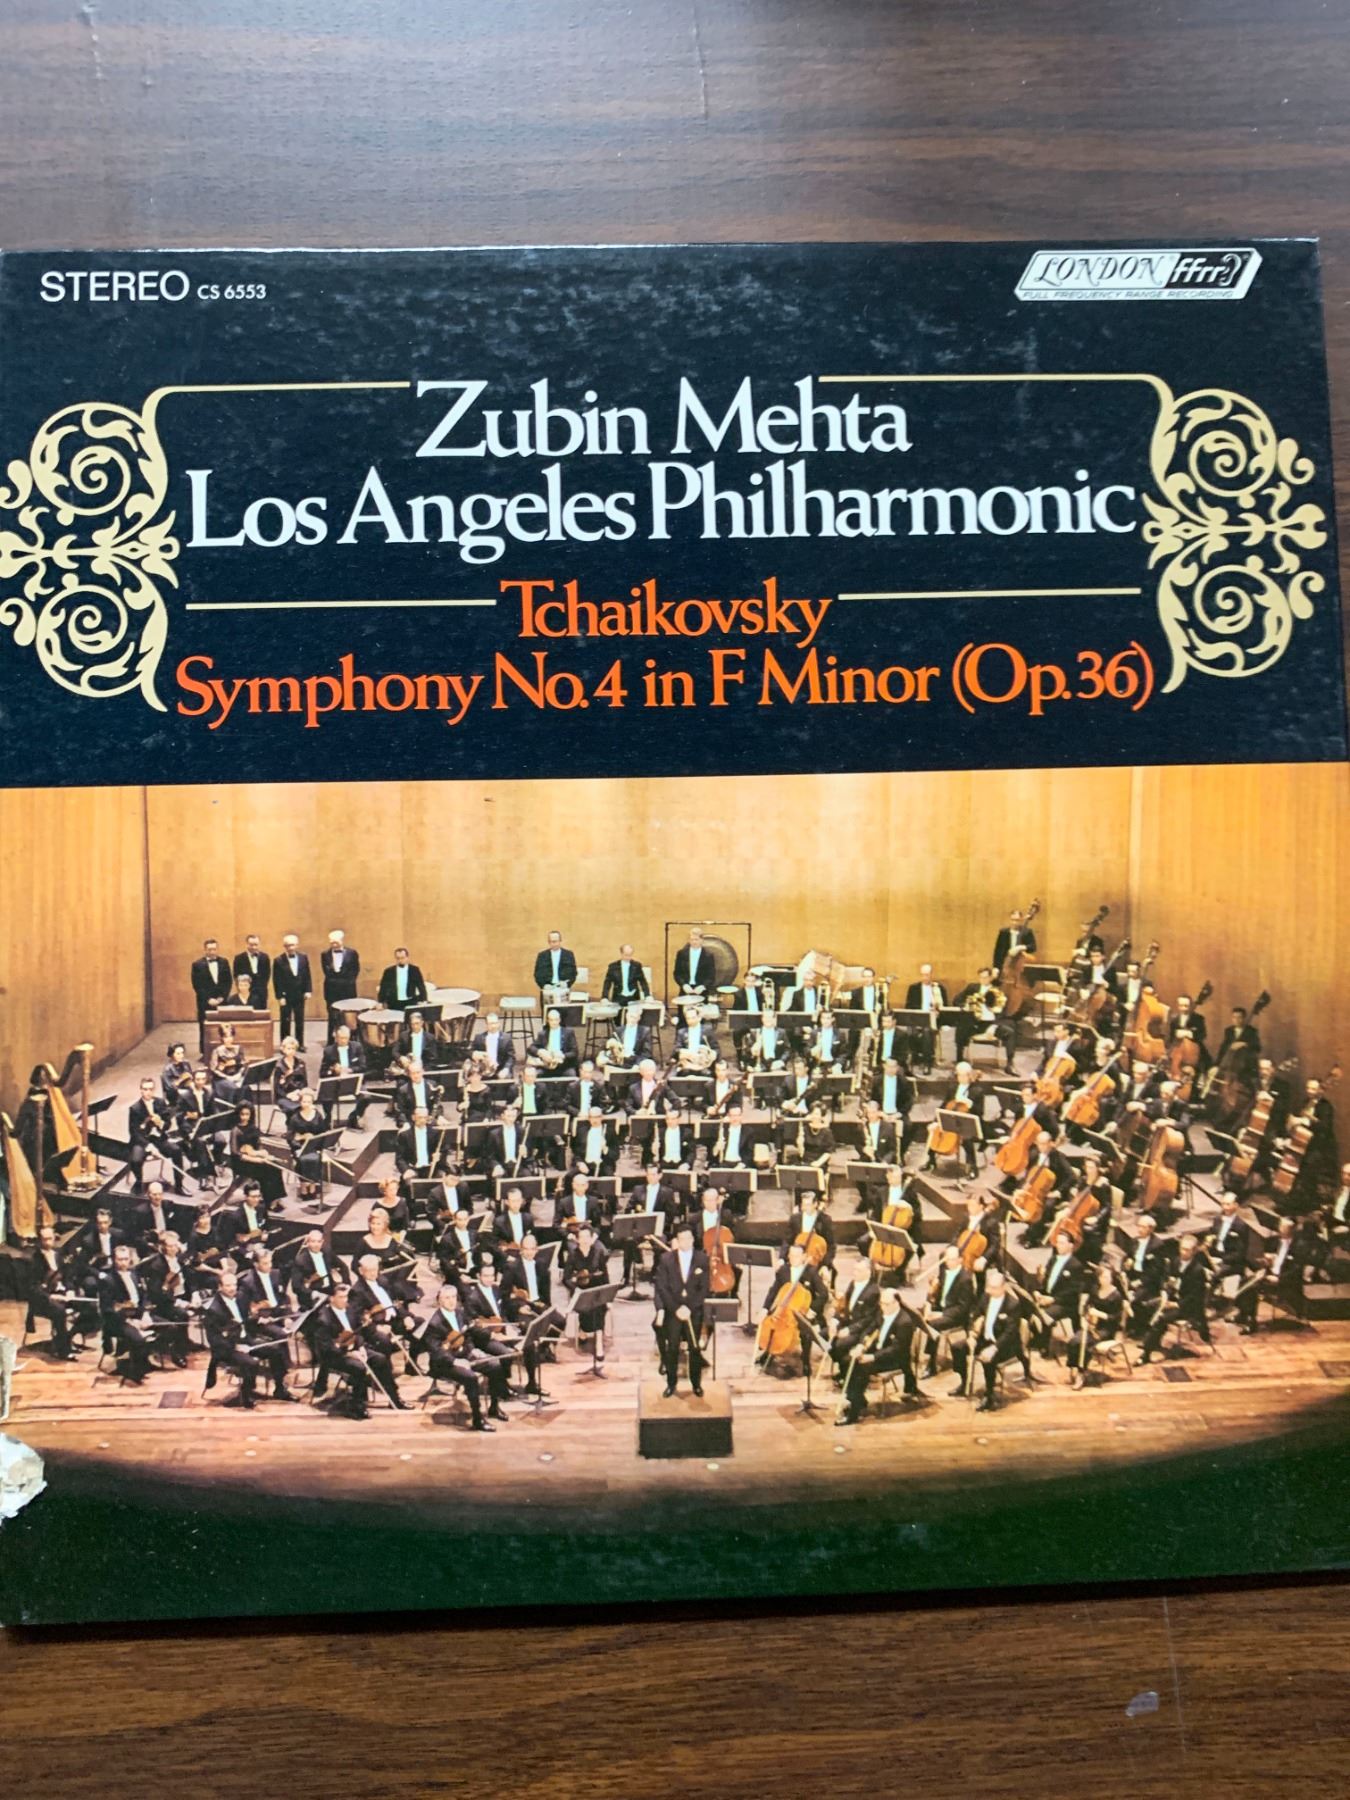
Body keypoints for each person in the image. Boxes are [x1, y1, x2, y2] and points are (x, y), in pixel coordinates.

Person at [420, 1282, 509, 1429]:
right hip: (445, 1363)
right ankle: (477, 1419)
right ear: (440, 1301)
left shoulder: (460, 1313)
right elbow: (436, 1352)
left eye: (453, 1297)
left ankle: (494, 1407)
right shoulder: (434, 1323)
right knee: (471, 1377)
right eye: (447, 1298)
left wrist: (472, 1350)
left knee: (495, 1365)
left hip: (464, 1355)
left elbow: (467, 1336)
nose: (451, 1301)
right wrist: (455, 1361)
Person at [835, 1286, 920, 1423]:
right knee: (846, 1360)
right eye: (881, 1303)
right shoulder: (882, 1313)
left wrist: (872, 1357)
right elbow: (869, 1329)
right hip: (878, 1351)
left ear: (896, 1303)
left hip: (894, 1359)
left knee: (860, 1368)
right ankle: (858, 1399)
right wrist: (861, 1345)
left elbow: (897, 1349)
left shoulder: (904, 1322)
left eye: (886, 1304)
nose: (883, 1307)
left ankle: (853, 1413)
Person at [949, 1270, 1029, 1413]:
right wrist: (972, 1335)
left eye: (994, 1288)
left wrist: (994, 1348)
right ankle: (964, 1382)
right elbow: (975, 1316)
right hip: (984, 1339)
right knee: (957, 1347)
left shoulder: (1013, 1304)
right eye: (989, 1287)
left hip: (1005, 1345)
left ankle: (989, 1395)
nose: (990, 1290)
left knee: (988, 1359)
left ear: (1003, 1287)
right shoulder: (985, 1297)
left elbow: (1010, 1333)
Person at [652, 1222, 710, 1397]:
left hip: (693, 1311)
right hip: (674, 1311)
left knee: (694, 1348)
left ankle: (696, 1383)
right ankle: (671, 1383)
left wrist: (689, 1308)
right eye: (681, 1239)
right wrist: (676, 1308)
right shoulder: (666, 1259)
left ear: (693, 1239)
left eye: (688, 1239)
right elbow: (662, 1287)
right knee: (672, 1349)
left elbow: (704, 1288)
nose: (685, 1242)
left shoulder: (702, 1259)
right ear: (677, 1240)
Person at [190, 937, 233, 1055]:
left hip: (222, 1001)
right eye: (209, 949)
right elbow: (197, 985)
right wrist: (208, 999)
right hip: (205, 1002)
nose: (212, 952)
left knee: (223, 1026)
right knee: (205, 1026)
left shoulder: (224, 962)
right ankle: (205, 1053)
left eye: (214, 949)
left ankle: (224, 1050)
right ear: (205, 950)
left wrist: (222, 997)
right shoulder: (197, 965)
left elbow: (228, 981)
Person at [272, 934, 313, 1048]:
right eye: (288, 945)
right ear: (284, 946)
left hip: (300, 994)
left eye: (292, 945)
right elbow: (276, 980)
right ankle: (285, 1045)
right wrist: (280, 997)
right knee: (285, 1021)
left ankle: (300, 1044)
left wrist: (308, 990)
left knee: (300, 1020)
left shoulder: (303, 957)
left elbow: (307, 975)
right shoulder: (278, 960)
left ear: (297, 945)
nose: (290, 948)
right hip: (286, 996)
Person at [533, 930, 577, 998]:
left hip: (563, 988)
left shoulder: (568, 955)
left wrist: (567, 984)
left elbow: (573, 972)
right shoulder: (542, 956)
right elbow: (537, 974)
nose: (554, 944)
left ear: (560, 941)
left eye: (555, 941)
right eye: (551, 942)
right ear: (549, 942)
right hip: (547, 988)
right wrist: (543, 985)